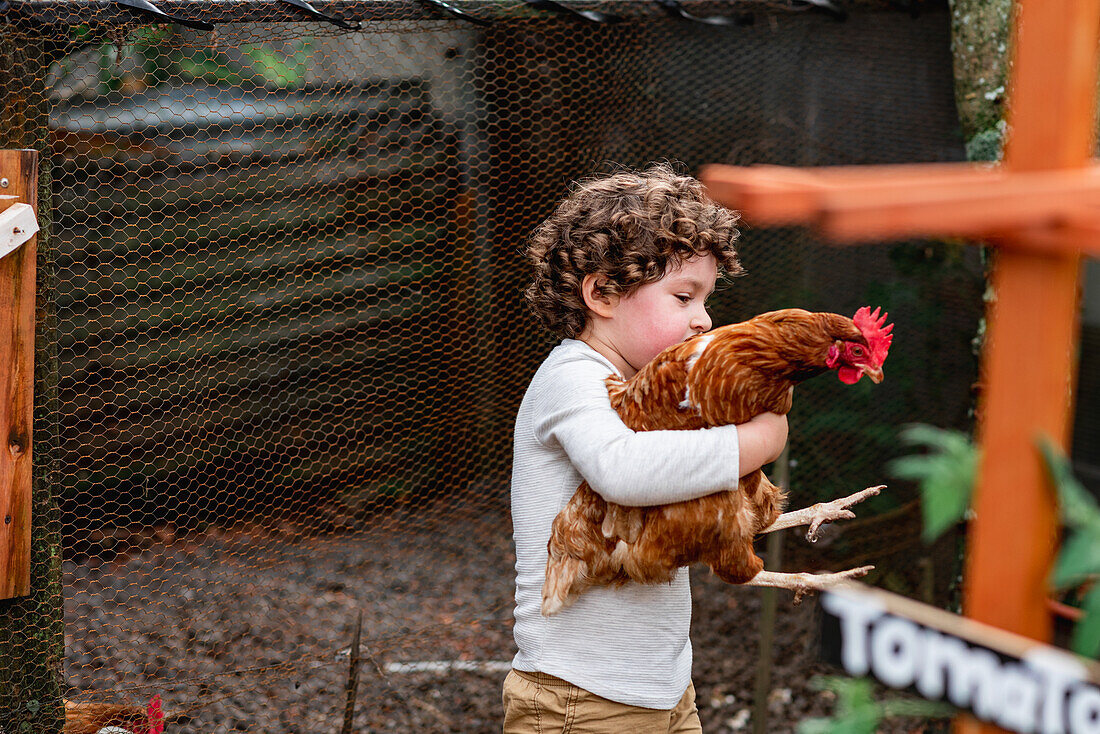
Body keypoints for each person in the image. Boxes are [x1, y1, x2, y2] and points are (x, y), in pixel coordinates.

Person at [503, 164, 789, 733]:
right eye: (683, 297)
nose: (703, 319)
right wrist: (751, 442)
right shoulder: (572, 376)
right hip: (579, 700)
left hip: (663, 691)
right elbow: (623, 471)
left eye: (705, 299)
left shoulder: (646, 390)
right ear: (603, 293)